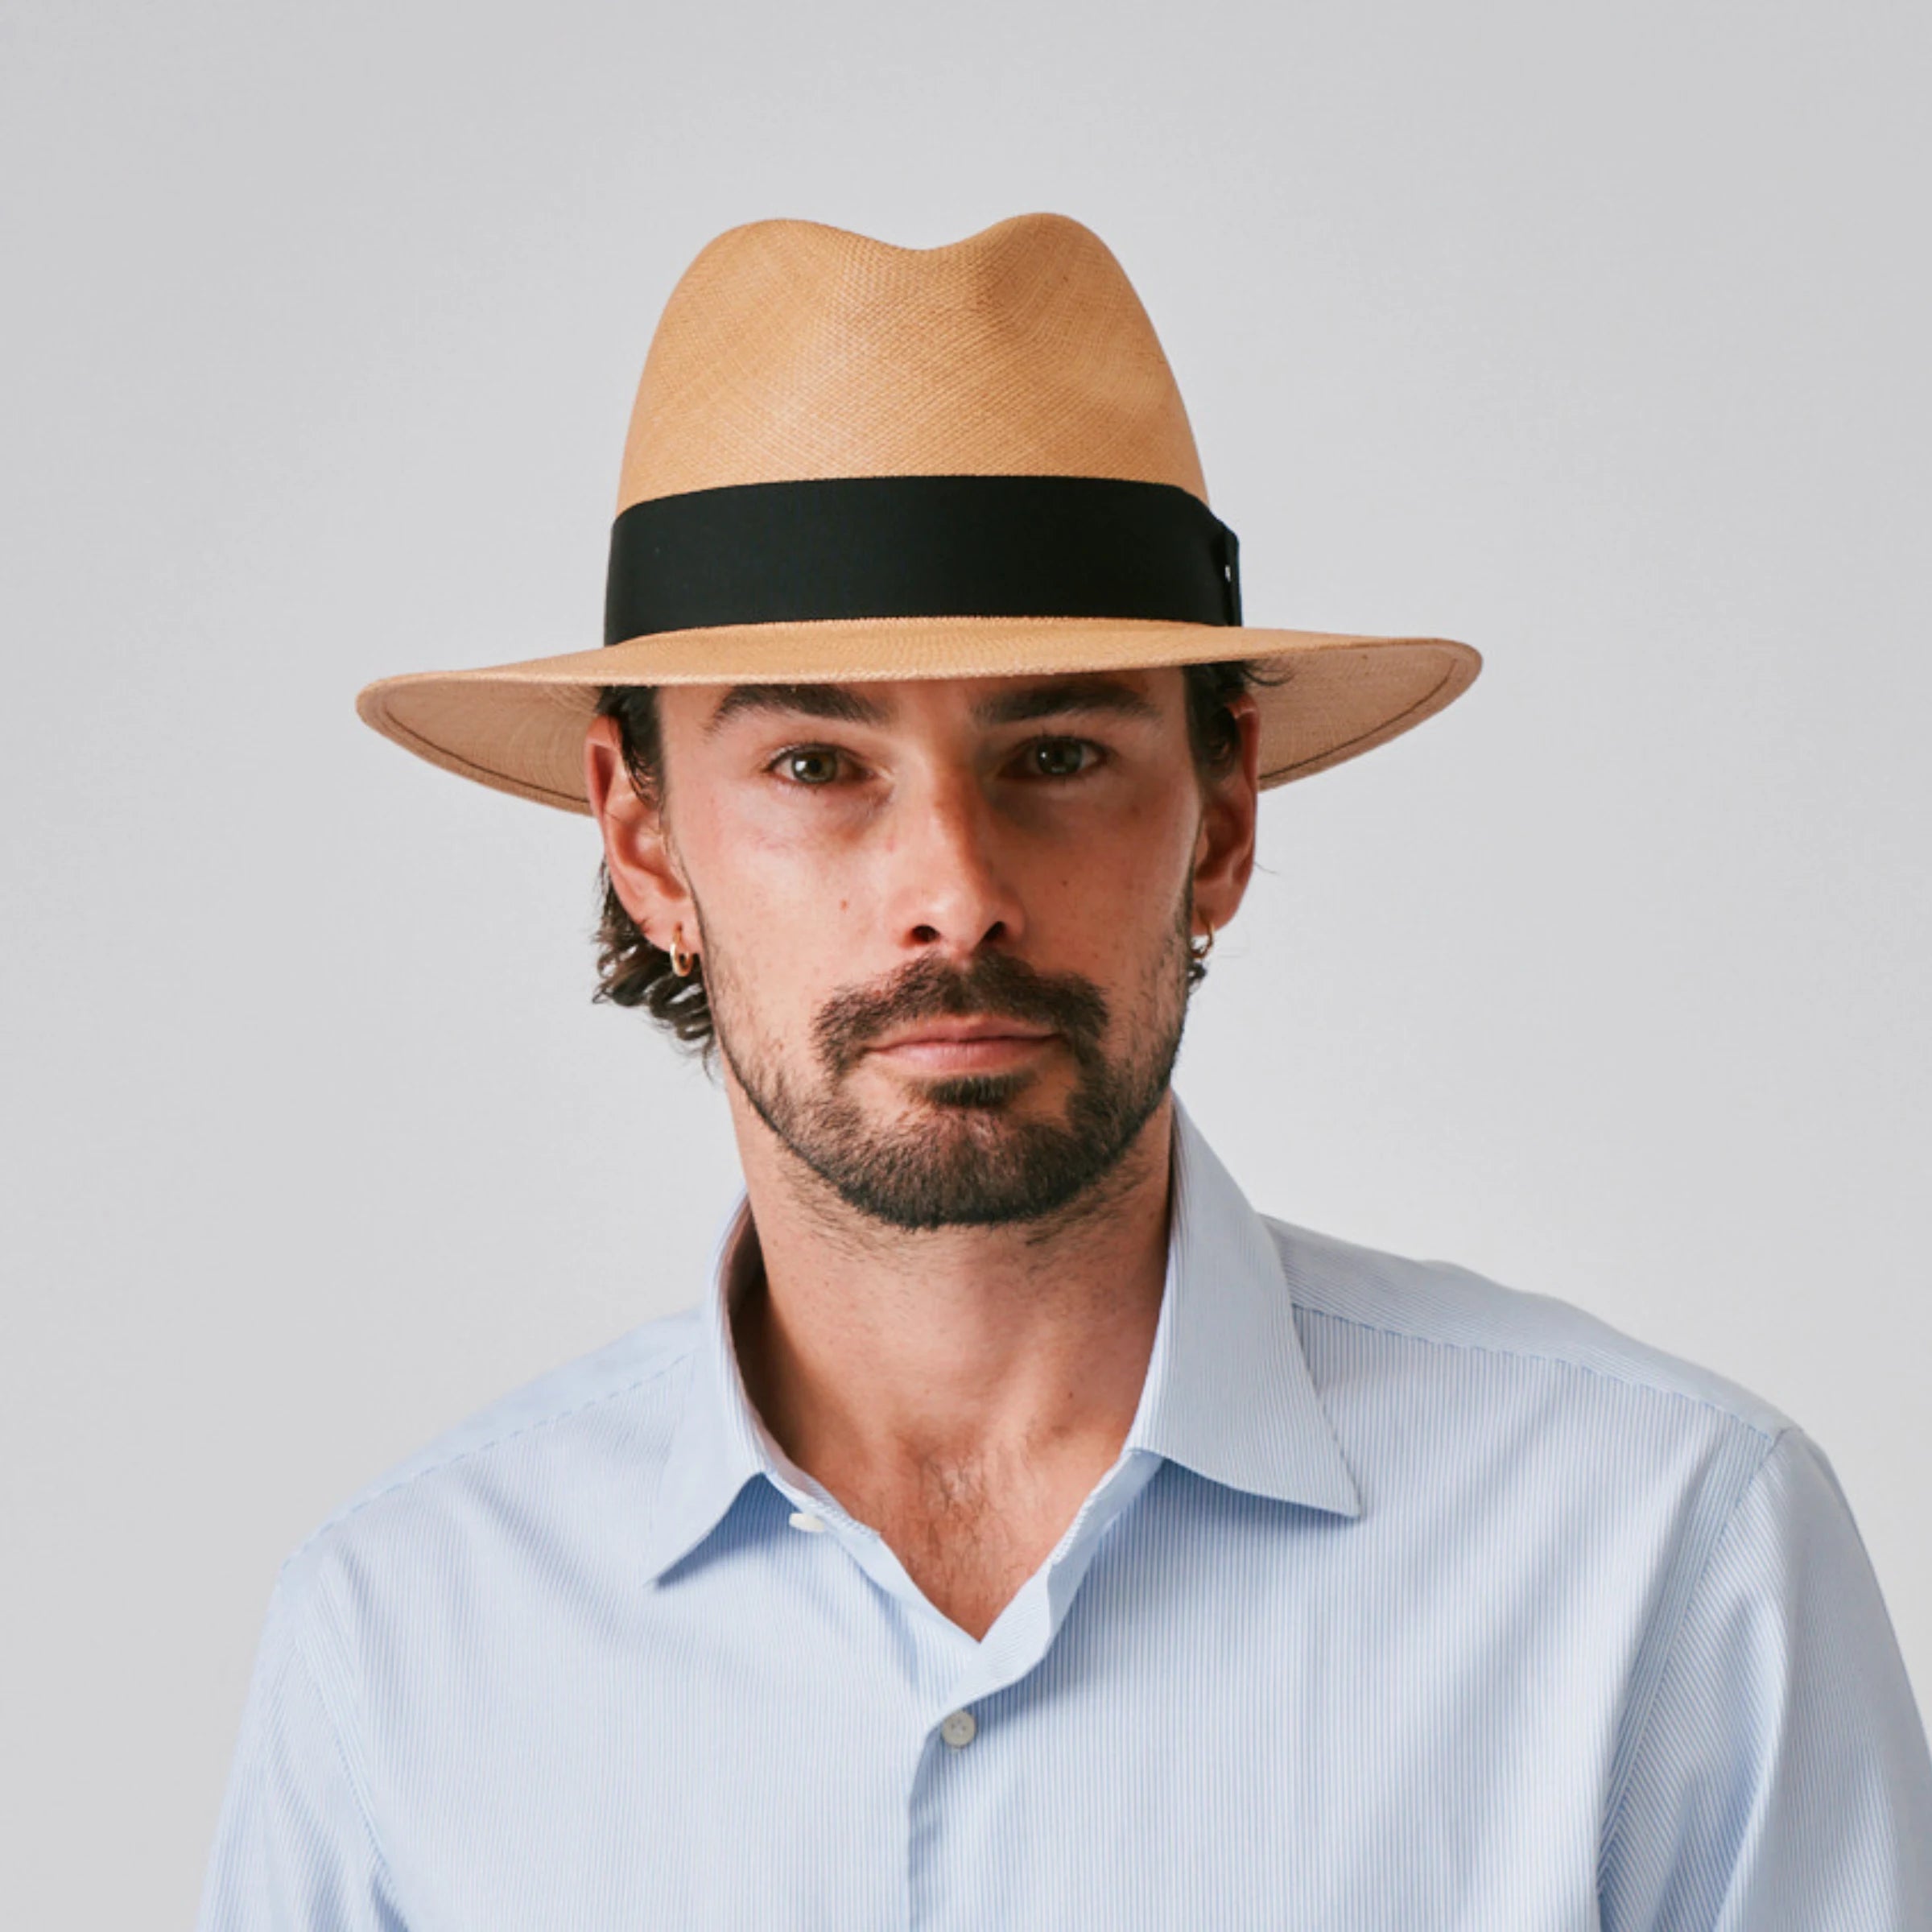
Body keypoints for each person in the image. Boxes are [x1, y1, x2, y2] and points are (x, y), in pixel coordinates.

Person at [200, 213, 1932, 1929]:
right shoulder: (404, 1648)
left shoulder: (1662, 1563)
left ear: (1223, 812)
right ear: (643, 838)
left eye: (1057, 750)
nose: (954, 889)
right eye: (817, 761)